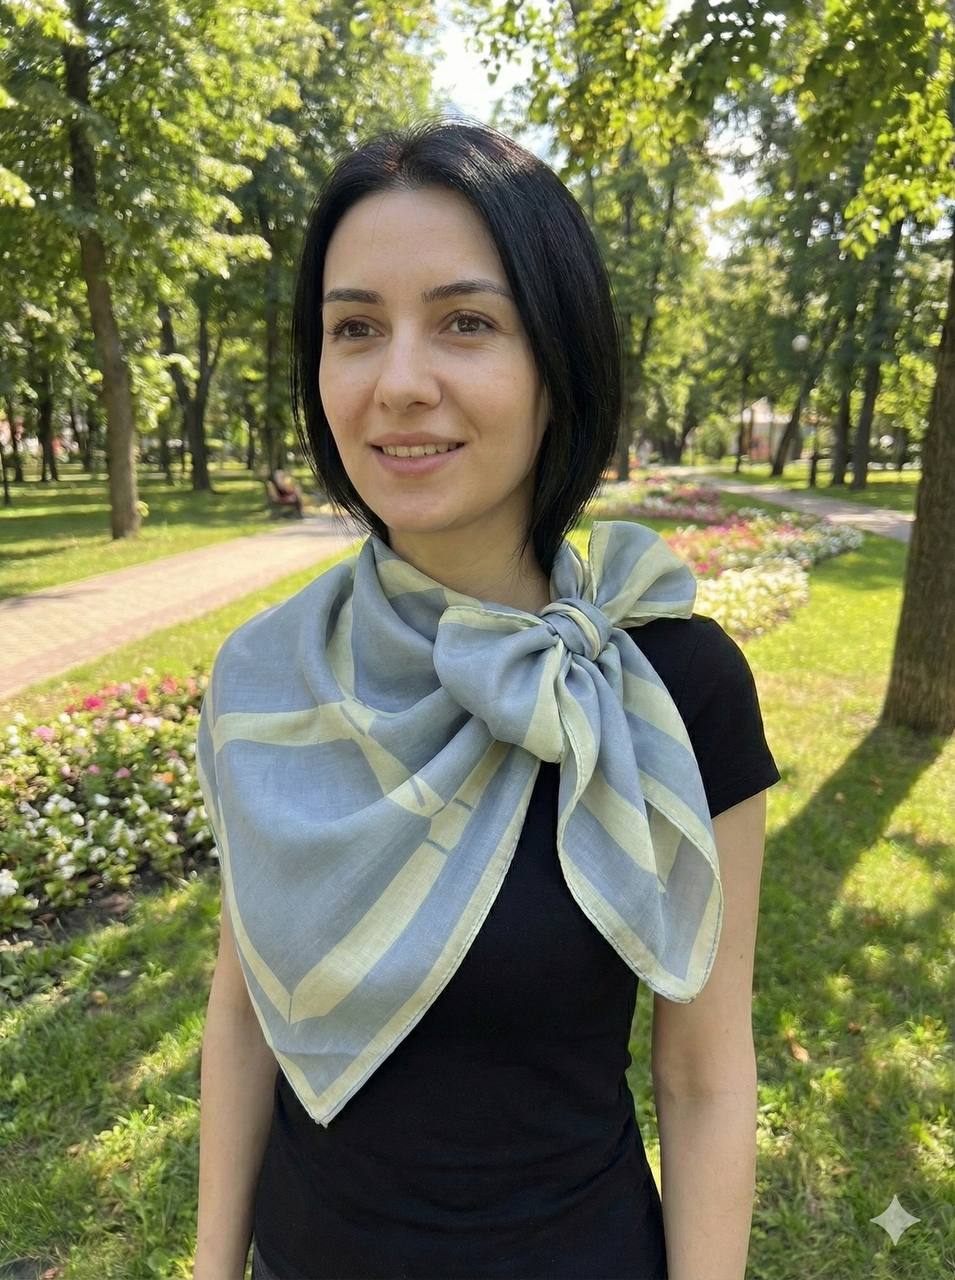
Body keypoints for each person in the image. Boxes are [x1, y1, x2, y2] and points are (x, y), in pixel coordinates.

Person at [193, 117, 781, 1280]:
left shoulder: (675, 685)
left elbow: (704, 1073)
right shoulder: (266, 677)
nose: (399, 382)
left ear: (558, 361)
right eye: (355, 327)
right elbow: (246, 1005)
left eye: (465, 321)